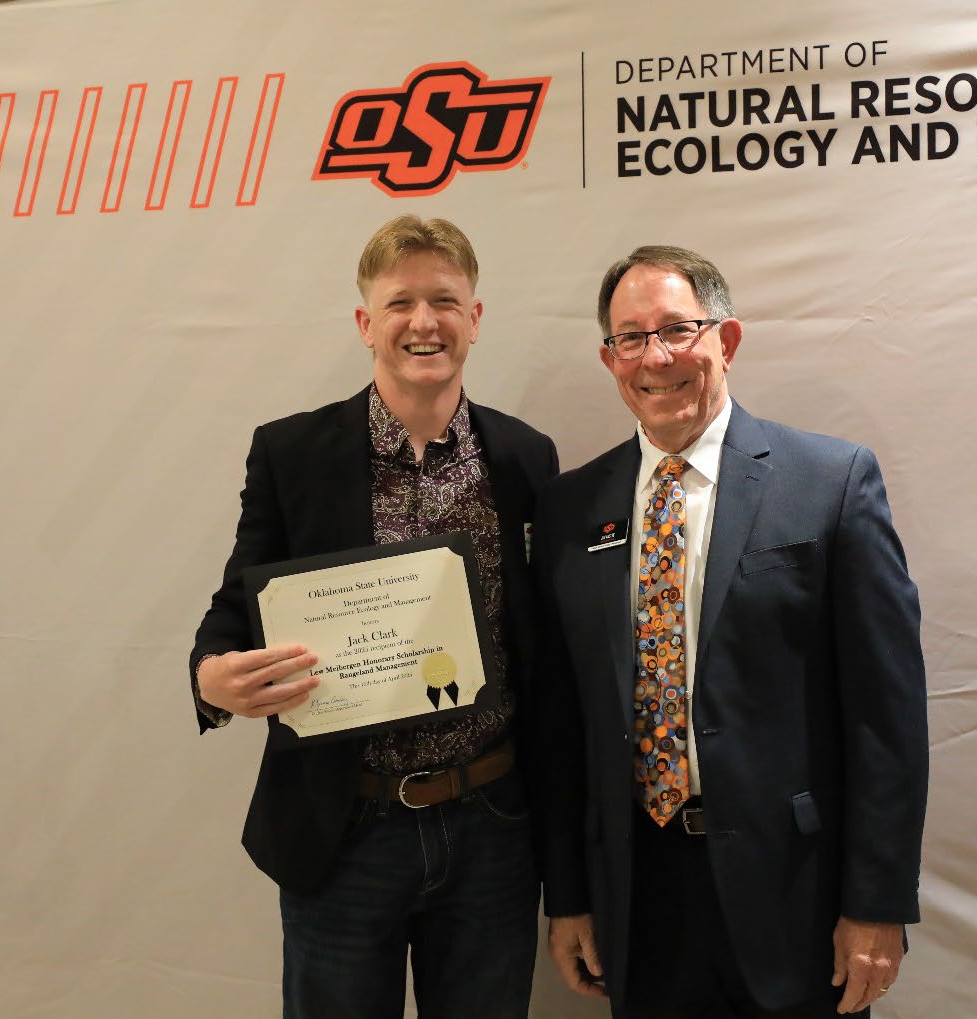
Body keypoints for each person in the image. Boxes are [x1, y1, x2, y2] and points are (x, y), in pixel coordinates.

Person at [531, 245, 928, 1018]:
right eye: (631, 338)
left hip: (795, 892)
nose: (657, 357)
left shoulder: (830, 483)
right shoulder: (568, 511)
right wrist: (570, 895)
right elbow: (560, 723)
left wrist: (877, 902)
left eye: (677, 329)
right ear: (609, 358)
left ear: (727, 339)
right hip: (637, 893)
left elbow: (888, 716)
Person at [190, 215, 557, 1019]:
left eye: (444, 300)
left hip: (492, 823)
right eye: (400, 304)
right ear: (366, 324)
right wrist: (214, 679)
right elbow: (233, 610)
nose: (423, 322)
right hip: (346, 825)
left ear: (474, 318)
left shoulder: (527, 458)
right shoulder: (293, 453)